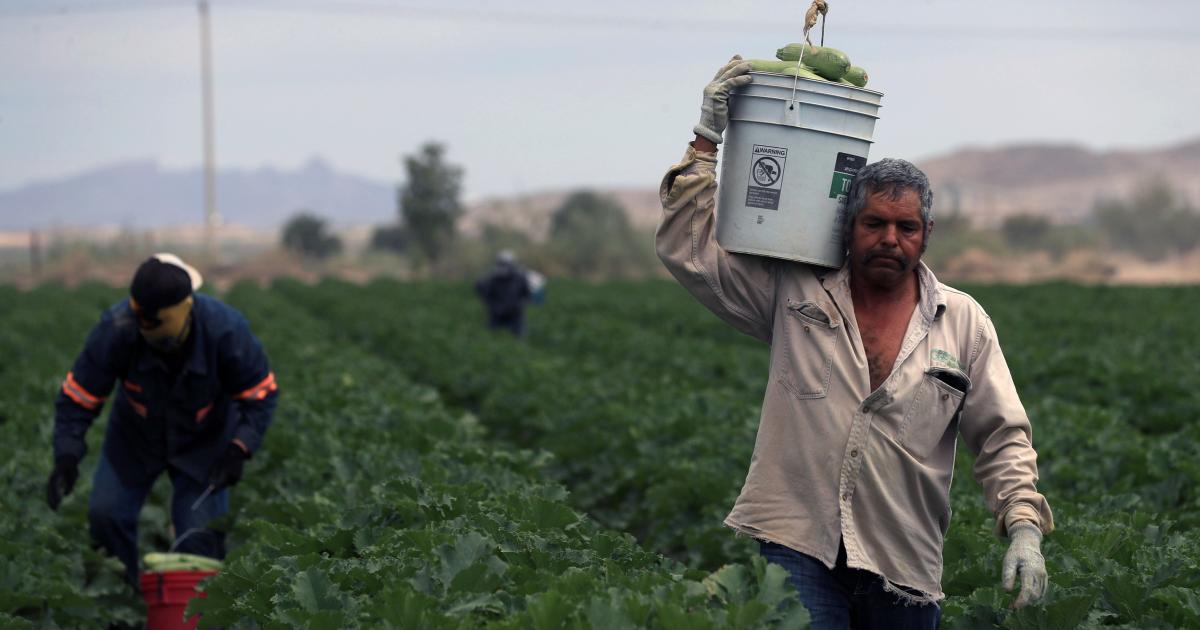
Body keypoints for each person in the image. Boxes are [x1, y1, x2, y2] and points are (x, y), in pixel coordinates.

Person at [655, 56, 1053, 628]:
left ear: (926, 234)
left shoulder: (963, 322)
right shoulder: (797, 294)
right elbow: (691, 252)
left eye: (906, 228)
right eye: (874, 224)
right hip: (797, 546)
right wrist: (705, 142)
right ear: (848, 225)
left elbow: (1002, 436)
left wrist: (1023, 529)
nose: (890, 239)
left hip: (903, 563)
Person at [45, 253, 279, 588]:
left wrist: (238, 449)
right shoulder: (117, 330)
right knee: (106, 515)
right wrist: (66, 456)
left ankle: (196, 618)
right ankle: (119, 606)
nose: (150, 335)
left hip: (205, 441)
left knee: (199, 538)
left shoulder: (225, 330)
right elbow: (78, 398)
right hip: (135, 439)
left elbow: (262, 396)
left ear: (185, 309)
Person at [474, 250, 532, 337]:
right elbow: (481, 289)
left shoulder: (519, 277)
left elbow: (526, 292)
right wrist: (490, 304)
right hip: (497, 312)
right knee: (493, 336)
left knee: (517, 335)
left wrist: (520, 304)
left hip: (514, 313)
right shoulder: (492, 277)